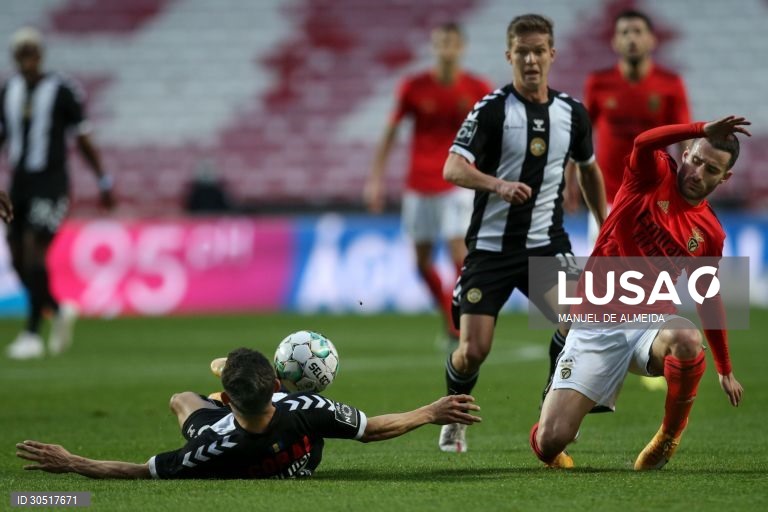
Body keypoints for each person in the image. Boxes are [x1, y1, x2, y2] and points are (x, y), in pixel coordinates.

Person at [530, 116, 749, 470]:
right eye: (695, 160)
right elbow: (644, 141)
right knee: (550, 441)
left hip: (649, 324)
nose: (697, 173)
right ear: (687, 151)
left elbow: (708, 296)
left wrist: (725, 367)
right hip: (597, 320)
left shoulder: (709, 233)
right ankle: (554, 426)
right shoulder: (654, 175)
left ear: (724, 178)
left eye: (711, 170)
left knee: (686, 338)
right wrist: (698, 128)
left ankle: (668, 437)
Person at [437, 14, 607, 452]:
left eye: (539, 51)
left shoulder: (573, 113)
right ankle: (455, 413)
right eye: (523, 52)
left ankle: (553, 402)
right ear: (510, 55)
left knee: (579, 322)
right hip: (490, 250)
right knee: (473, 350)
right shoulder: (492, 109)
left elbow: (589, 171)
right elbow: (453, 167)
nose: (531, 60)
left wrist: (605, 225)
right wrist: (497, 185)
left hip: (546, 244)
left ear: (552, 54)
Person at [16, 347, 480, 479]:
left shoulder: (210, 451)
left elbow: (136, 470)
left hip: (222, 423)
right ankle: (227, 381)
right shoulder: (305, 408)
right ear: (279, 387)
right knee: (187, 400)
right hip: (248, 424)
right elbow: (375, 429)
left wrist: (71, 461)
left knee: (181, 399)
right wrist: (430, 411)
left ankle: (220, 385)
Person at [364, 22, 492, 341]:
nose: (446, 48)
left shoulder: (477, 88)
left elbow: (494, 135)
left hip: (457, 182)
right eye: (440, 42)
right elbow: (390, 133)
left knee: (457, 253)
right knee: (421, 262)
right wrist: (376, 179)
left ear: (461, 47)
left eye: (451, 42)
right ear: (434, 47)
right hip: (419, 185)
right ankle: (449, 309)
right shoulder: (414, 87)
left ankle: (459, 321)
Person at [0, 27, 114, 359]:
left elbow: (83, 138)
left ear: (41, 53)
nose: (27, 58)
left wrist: (103, 181)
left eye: (31, 51)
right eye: (21, 52)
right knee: (18, 257)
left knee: (35, 250)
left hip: (51, 184)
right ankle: (56, 308)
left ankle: (32, 333)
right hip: (20, 184)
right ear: (15, 56)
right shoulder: (9, 90)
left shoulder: (62, 89)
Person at [564, 9, 691, 242]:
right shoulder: (599, 83)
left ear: (652, 39)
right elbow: (580, 133)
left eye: (637, 32)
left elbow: (685, 138)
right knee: (605, 271)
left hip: (654, 196)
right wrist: (569, 179)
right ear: (615, 41)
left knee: (650, 271)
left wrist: (687, 184)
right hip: (607, 197)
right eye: (624, 32)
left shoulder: (670, 84)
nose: (631, 38)